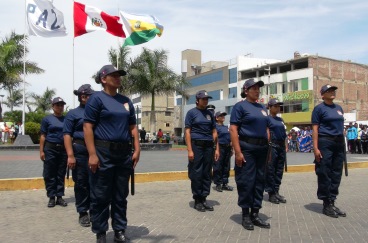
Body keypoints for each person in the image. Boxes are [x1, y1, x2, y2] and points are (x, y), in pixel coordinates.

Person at [84, 64, 140, 243]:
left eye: (119, 75)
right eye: (113, 75)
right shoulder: (96, 99)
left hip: (123, 155)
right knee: (100, 194)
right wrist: (92, 154)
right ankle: (100, 232)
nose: (118, 78)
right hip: (103, 153)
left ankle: (119, 230)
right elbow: (88, 127)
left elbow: (133, 127)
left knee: (120, 195)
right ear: (103, 79)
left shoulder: (126, 101)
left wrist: (137, 149)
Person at [230, 78, 271, 230]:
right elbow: (233, 130)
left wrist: (269, 149)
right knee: (247, 181)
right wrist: (238, 152)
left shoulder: (262, 108)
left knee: (260, 181)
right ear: (246, 90)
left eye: (258, 88)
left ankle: (255, 213)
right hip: (247, 148)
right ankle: (245, 215)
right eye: (253, 88)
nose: (256, 90)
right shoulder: (240, 107)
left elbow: (267, 129)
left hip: (262, 149)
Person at [311, 84, 346, 218]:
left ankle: (332, 200)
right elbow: (315, 130)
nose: (332, 92)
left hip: (338, 142)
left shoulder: (339, 108)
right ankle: (326, 203)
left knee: (336, 172)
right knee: (324, 172)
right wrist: (315, 148)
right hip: (325, 141)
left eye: (333, 91)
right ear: (322, 94)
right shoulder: (319, 109)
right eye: (329, 91)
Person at [63, 84, 94, 227]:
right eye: (86, 95)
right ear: (81, 97)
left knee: (95, 183)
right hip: (80, 151)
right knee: (81, 183)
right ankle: (82, 212)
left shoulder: (96, 112)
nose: (88, 97)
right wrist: (70, 155)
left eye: (90, 95)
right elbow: (67, 135)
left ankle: (94, 211)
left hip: (96, 151)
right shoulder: (73, 114)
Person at [185, 90, 219, 212]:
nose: (205, 101)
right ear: (197, 100)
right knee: (197, 172)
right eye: (203, 99)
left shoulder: (210, 114)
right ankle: (197, 200)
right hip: (197, 146)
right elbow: (187, 132)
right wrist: (190, 150)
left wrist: (216, 148)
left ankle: (204, 198)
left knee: (207, 172)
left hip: (209, 146)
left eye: (207, 99)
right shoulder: (191, 113)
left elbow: (214, 131)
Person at [40, 97, 68, 208]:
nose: (60, 107)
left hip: (63, 149)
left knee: (61, 173)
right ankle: (51, 197)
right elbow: (43, 136)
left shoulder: (66, 120)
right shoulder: (47, 120)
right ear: (53, 106)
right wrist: (41, 151)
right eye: (57, 105)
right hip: (50, 149)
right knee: (49, 173)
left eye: (62, 105)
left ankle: (60, 196)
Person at [265, 98, 287, 204]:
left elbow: (284, 133)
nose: (278, 108)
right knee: (271, 170)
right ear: (269, 107)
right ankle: (271, 193)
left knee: (279, 170)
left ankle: (276, 191)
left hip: (281, 146)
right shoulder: (267, 119)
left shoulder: (280, 120)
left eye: (279, 106)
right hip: (272, 146)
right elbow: (266, 133)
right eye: (275, 106)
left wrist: (286, 145)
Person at [213, 111, 233, 192]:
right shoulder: (215, 127)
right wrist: (216, 150)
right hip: (219, 148)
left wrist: (232, 149)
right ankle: (218, 184)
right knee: (218, 166)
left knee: (226, 166)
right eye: (221, 116)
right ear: (217, 118)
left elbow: (230, 138)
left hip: (227, 148)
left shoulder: (226, 127)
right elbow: (215, 139)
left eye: (224, 115)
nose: (223, 117)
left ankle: (225, 183)